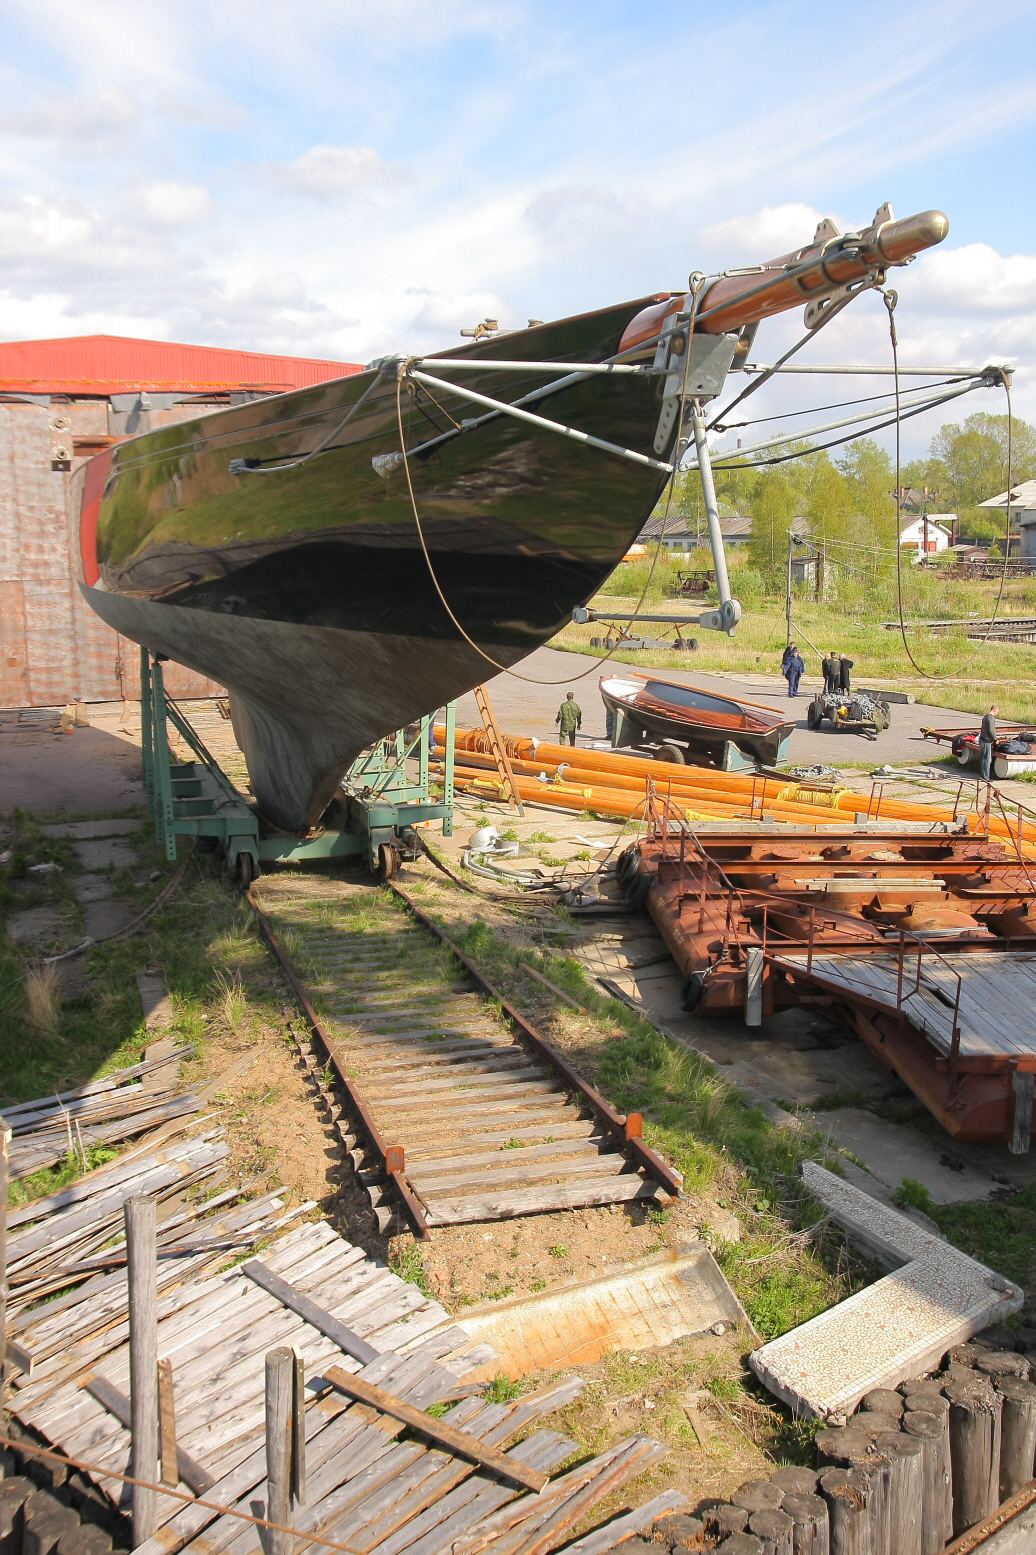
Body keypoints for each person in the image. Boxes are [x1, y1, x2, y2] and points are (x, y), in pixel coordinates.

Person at [980, 704, 999, 781]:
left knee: (983, 758)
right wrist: (995, 739)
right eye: (997, 712)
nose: (997, 714)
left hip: (982, 739)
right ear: (994, 710)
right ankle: (986, 777)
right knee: (987, 759)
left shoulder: (986, 716)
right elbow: (991, 730)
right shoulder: (990, 717)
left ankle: (983, 774)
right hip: (986, 741)